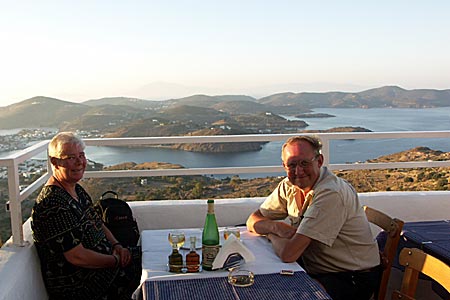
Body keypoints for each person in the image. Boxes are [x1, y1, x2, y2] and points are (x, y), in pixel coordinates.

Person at [246, 135, 381, 300]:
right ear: (284, 166)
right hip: (314, 267)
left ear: (319, 161)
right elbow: (252, 220)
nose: (298, 171)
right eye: (292, 164)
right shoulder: (289, 186)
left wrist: (270, 233)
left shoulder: (330, 193)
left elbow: (289, 254)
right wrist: (276, 227)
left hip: (351, 277)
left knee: (277, 293)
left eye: (304, 163)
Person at [31, 132, 141, 300]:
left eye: (81, 155)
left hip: (106, 263)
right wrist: (116, 260)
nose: (79, 162)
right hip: (85, 284)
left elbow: (98, 223)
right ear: (55, 162)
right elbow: (77, 256)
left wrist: (117, 245)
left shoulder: (76, 190)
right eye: (70, 157)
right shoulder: (53, 204)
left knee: (151, 255)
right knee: (151, 267)